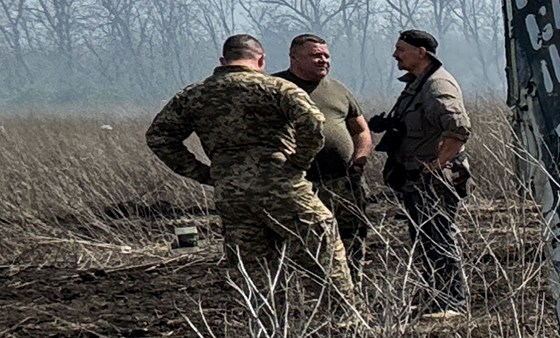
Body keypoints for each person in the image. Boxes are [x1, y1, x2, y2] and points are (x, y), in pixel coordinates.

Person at [145, 34, 355, 298]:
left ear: (223, 60)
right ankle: (344, 322)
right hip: (280, 186)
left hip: (231, 194)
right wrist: (298, 163)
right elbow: (313, 122)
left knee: (254, 266)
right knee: (322, 244)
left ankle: (269, 330)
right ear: (261, 59)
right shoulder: (276, 88)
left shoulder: (193, 95)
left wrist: (204, 173)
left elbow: (159, 137)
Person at [376, 27, 472, 316]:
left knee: (440, 237)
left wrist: (437, 166)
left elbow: (459, 130)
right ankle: (436, 296)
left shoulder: (437, 86)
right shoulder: (418, 84)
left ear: (421, 52)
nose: (395, 55)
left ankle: (453, 303)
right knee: (425, 239)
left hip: (433, 180)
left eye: (401, 50)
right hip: (415, 178)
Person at [280, 32, 374, 266]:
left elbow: (361, 130)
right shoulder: (277, 88)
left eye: (326, 56)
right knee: (308, 247)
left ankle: (352, 295)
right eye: (315, 56)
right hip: (300, 185)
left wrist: (359, 160)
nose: (323, 60)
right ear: (294, 57)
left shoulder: (338, 90)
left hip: (344, 183)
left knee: (351, 244)